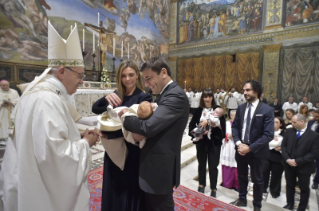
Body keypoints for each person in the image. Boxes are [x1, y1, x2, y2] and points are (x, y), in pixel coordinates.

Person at [0, 22, 101, 211]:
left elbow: (40, 140)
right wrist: (85, 142)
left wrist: (74, 137)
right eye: (80, 75)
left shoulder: (36, 92)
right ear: (62, 71)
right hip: (42, 196)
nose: (81, 81)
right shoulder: (48, 100)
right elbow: (58, 159)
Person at [120, 57, 189, 211]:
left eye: (148, 78)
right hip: (154, 167)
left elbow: (148, 127)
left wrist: (125, 116)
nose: (146, 84)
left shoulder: (175, 95)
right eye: (144, 79)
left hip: (160, 170)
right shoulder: (165, 94)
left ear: (163, 72)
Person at [92, 60, 152, 211]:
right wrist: (106, 98)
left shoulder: (144, 98)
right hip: (113, 153)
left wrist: (110, 134)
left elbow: (139, 128)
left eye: (131, 75)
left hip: (131, 152)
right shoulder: (117, 95)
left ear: (137, 75)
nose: (127, 79)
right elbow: (95, 109)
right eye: (123, 76)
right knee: (114, 189)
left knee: (129, 192)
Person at [230, 80, 274, 211]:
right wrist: (239, 144)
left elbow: (268, 135)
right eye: (244, 90)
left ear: (256, 91)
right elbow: (235, 127)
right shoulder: (241, 107)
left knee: (258, 180)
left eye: (248, 90)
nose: (245, 93)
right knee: (242, 175)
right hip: (240, 148)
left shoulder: (267, 110)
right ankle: (242, 199)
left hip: (257, 151)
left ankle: (257, 206)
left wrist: (250, 147)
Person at [189, 88, 226, 198]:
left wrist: (211, 125)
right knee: (201, 164)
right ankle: (201, 184)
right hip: (201, 141)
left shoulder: (218, 110)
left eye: (209, 96)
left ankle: (213, 188)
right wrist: (198, 133)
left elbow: (223, 128)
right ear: (202, 98)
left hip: (214, 142)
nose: (207, 99)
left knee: (213, 166)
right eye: (205, 96)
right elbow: (191, 126)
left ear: (212, 97)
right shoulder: (198, 110)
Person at [281, 114, 319, 211]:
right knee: (289, 185)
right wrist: (288, 159)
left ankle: (302, 207)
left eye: (294, 122)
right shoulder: (289, 131)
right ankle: (290, 203)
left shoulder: (314, 135)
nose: (292, 124)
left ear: (302, 122)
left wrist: (297, 161)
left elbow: (314, 153)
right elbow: (283, 146)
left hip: (304, 166)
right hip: (289, 165)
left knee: (304, 187)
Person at [263, 117, 286, 198]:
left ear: (281, 124)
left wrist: (281, 147)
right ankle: (263, 188)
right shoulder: (267, 131)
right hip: (267, 155)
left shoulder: (284, 134)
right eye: (273, 122)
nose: (274, 124)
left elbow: (286, 145)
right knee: (264, 172)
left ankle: (275, 191)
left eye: (276, 122)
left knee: (276, 175)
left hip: (278, 156)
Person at [220, 110, 238, 190]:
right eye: (235, 115)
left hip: (236, 147)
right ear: (231, 116)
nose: (237, 117)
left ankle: (236, 185)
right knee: (228, 164)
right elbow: (221, 134)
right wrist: (227, 136)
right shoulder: (226, 124)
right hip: (228, 146)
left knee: (236, 165)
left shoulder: (241, 125)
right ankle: (227, 184)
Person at [0, 80, 19, 146]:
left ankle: (10, 138)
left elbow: (18, 101)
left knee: (11, 124)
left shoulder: (14, 92)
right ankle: (2, 139)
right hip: (1, 112)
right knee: (2, 125)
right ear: (0, 85)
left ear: (9, 85)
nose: (5, 86)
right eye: (3, 85)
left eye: (6, 85)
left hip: (11, 111)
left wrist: (12, 103)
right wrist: (1, 104)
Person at [307, 109, 319, 189]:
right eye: (313, 116)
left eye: (317, 116)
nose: (314, 117)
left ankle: (316, 181)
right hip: (308, 146)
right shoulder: (311, 122)